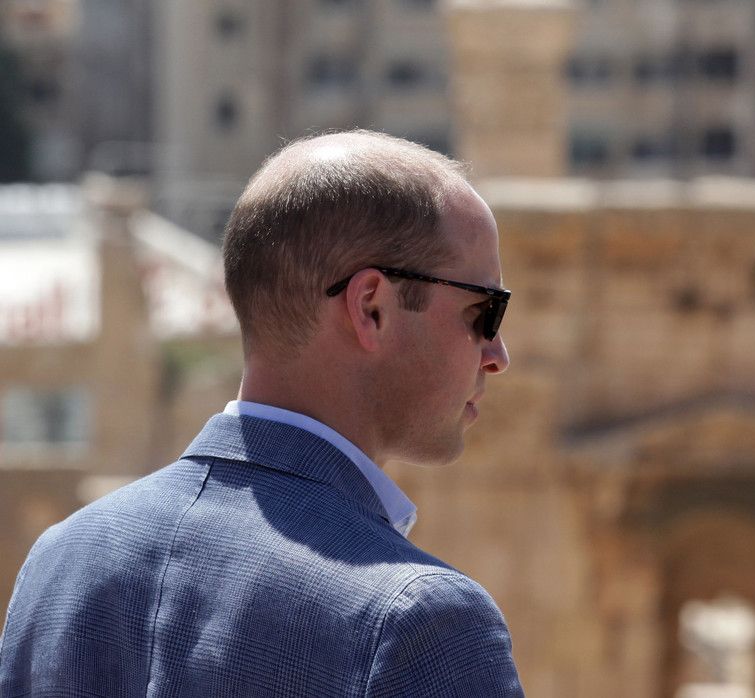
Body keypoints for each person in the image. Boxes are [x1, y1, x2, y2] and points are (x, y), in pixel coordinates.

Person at [0, 131, 522, 696]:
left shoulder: (60, 563)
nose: (498, 355)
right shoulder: (420, 623)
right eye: (484, 311)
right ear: (371, 307)